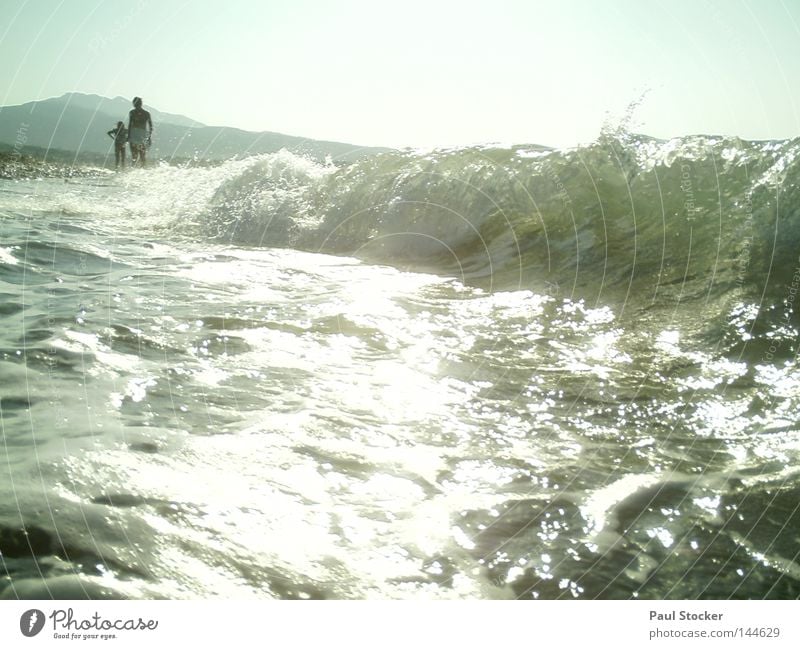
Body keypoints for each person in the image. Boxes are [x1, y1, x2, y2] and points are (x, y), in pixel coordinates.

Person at [127, 97, 153, 167]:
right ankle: (143, 170)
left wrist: (128, 136)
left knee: (134, 156)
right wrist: (149, 137)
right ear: (141, 104)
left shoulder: (132, 112)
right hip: (142, 134)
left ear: (134, 104)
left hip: (134, 133)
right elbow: (151, 127)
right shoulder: (147, 113)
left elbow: (130, 124)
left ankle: (133, 171)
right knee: (142, 155)